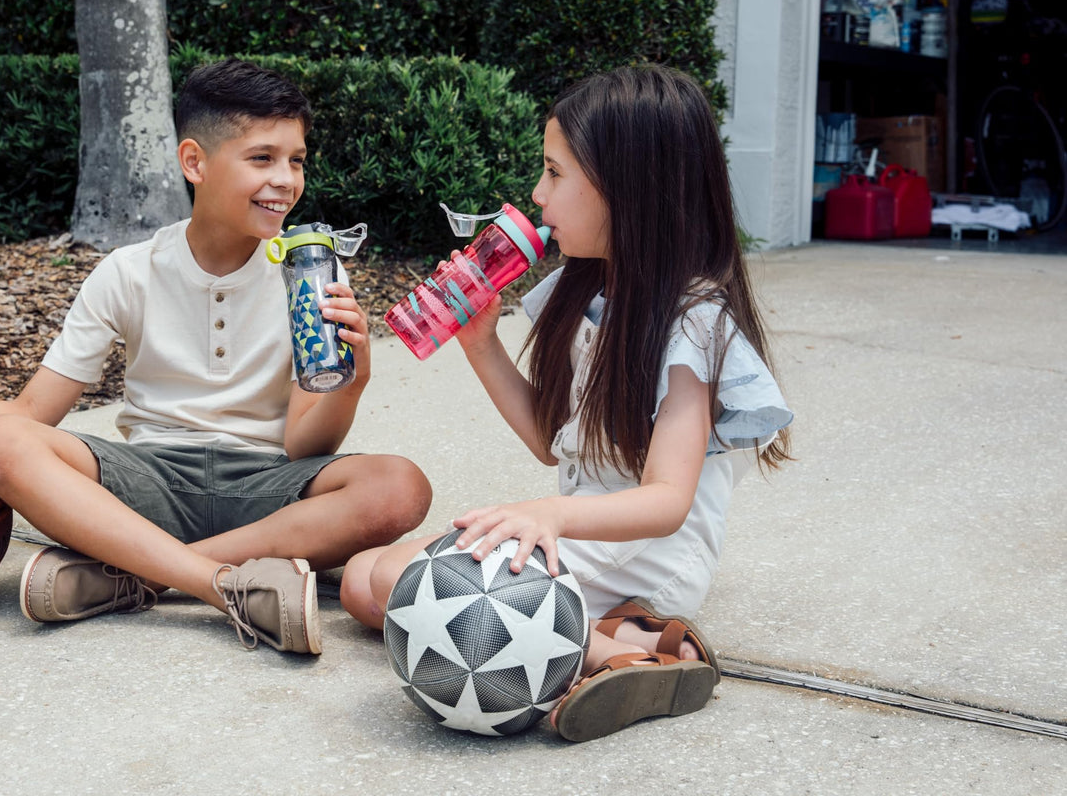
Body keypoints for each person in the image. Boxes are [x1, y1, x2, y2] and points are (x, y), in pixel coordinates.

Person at [0, 58, 432, 656]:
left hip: (264, 484)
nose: (286, 180)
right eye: (262, 158)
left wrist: (350, 381)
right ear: (194, 162)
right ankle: (222, 585)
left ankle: (133, 575)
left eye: (296, 160)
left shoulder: (309, 273)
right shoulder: (128, 272)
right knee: (0, 445)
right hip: (145, 482)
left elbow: (304, 448)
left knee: (398, 487)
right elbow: (32, 413)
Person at [340, 64, 793, 738]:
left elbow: (667, 500)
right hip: (589, 537)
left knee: (394, 583)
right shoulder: (594, 295)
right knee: (359, 579)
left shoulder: (691, 323)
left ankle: (630, 656)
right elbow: (548, 440)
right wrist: (478, 343)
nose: (536, 195)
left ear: (626, 189)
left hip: (647, 554)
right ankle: (603, 634)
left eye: (554, 173)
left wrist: (544, 511)